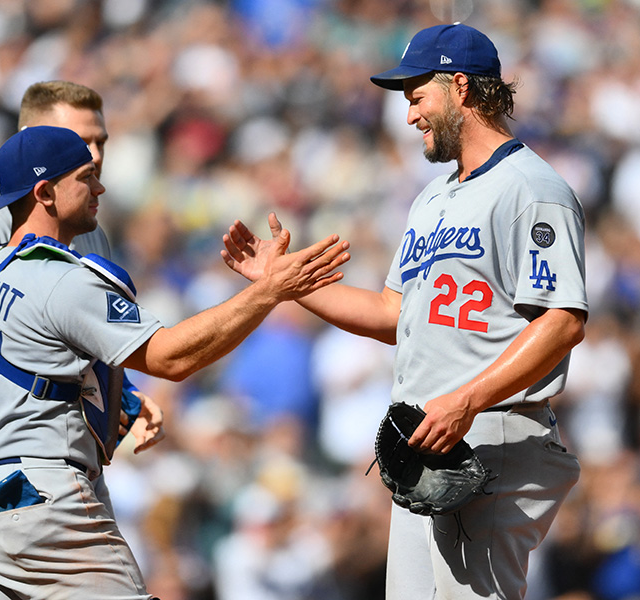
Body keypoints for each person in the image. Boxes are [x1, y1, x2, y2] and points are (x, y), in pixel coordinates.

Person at [221, 23, 588, 600]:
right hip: (427, 435)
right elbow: (392, 313)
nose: (410, 114)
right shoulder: (432, 197)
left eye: (418, 97)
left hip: (489, 430)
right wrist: (283, 284)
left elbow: (562, 322)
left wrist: (467, 400)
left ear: (460, 87)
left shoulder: (531, 188)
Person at [0, 124, 350, 598]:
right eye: (85, 177)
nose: (99, 188)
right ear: (45, 192)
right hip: (36, 497)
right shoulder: (57, 277)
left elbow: (29, 369)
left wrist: (124, 398)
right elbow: (172, 357)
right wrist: (269, 292)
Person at [0, 81, 164, 600]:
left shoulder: (89, 227)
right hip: (2, 457)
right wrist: (66, 390)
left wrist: (122, 393)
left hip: (52, 464)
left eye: (100, 141)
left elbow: (75, 336)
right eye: (78, 139)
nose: (93, 153)